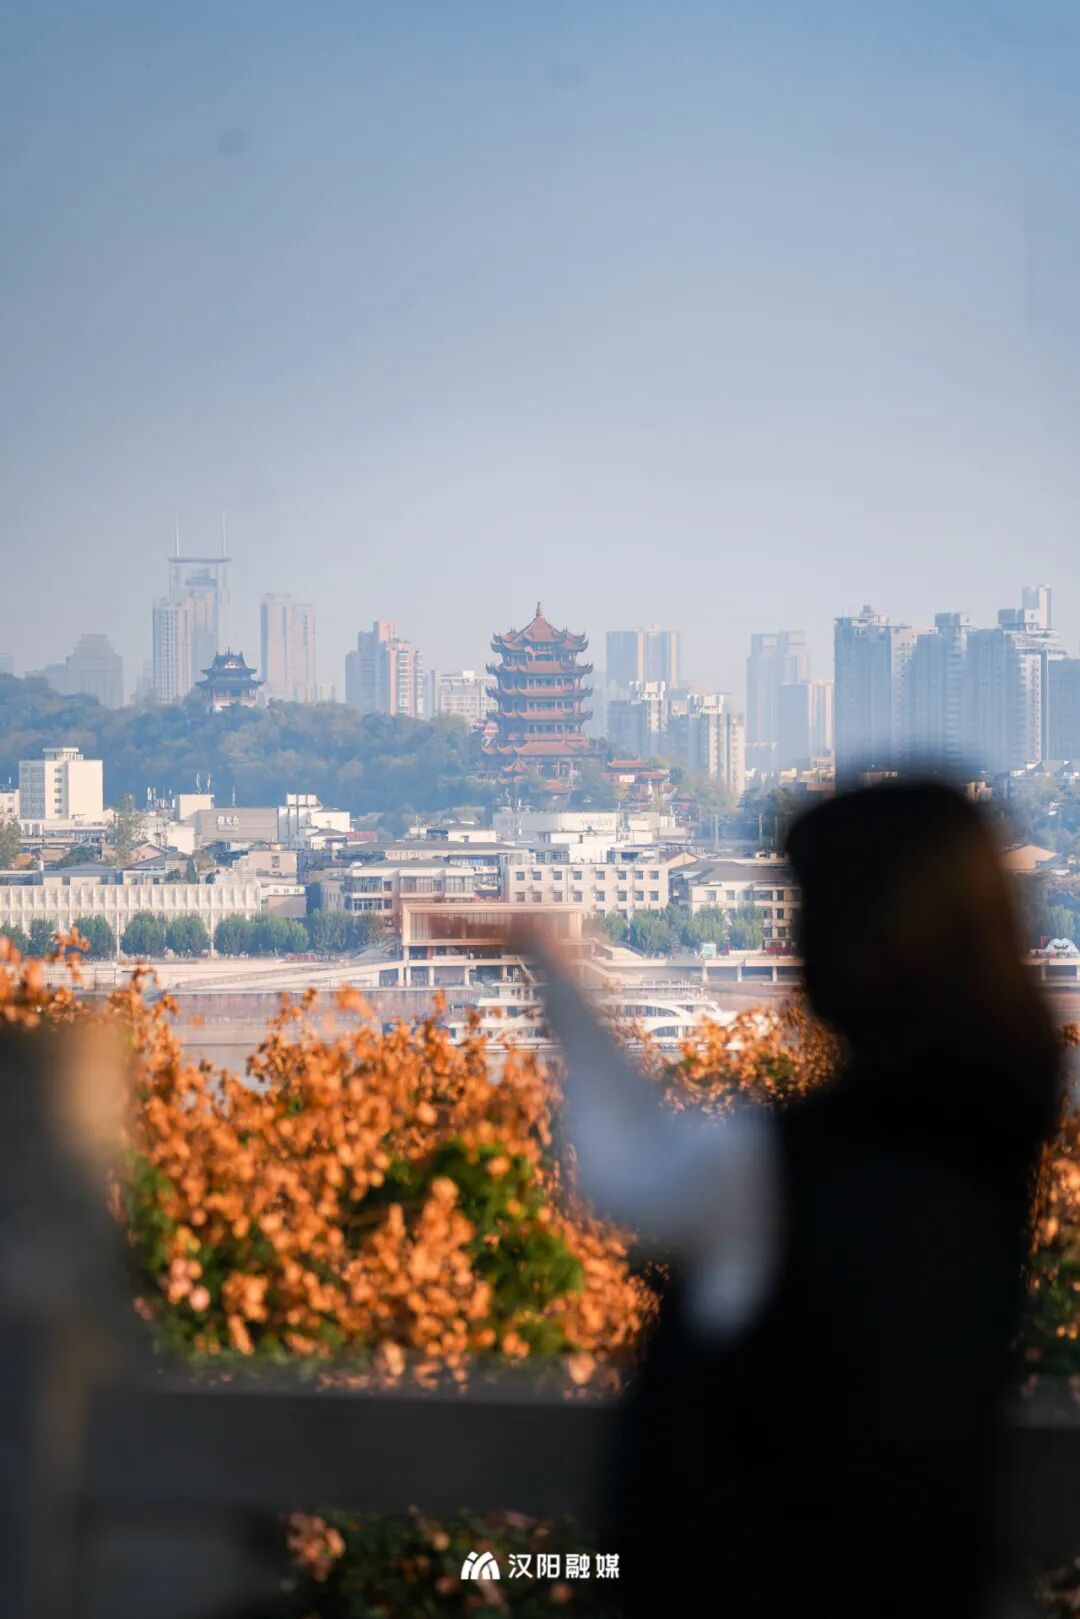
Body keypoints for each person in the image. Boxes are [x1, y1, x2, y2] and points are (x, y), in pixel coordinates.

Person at [538, 780, 1061, 1618]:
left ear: (863, 941)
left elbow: (624, 1173)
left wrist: (546, 961)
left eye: (807, 910)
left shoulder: (784, 1162)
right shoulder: (994, 1137)